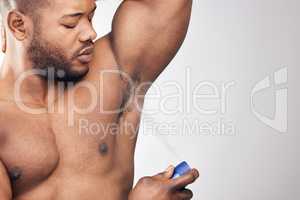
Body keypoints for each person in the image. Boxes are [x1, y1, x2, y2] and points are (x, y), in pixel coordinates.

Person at [0, 0, 199, 199]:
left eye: (90, 17)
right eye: (71, 23)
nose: (90, 33)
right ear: (18, 25)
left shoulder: (114, 70)